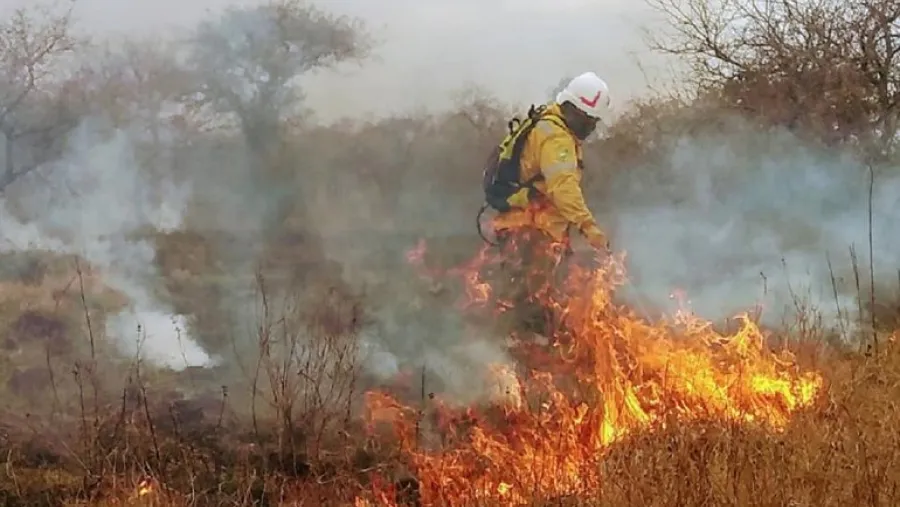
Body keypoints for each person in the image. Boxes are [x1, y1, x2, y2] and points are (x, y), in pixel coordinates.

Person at [484, 71, 612, 340]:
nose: (591, 127)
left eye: (594, 121)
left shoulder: (548, 122)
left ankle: (527, 356)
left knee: (535, 301)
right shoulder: (556, 138)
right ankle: (525, 365)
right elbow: (563, 187)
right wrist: (589, 227)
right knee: (532, 307)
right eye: (589, 120)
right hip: (531, 231)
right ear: (574, 110)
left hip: (529, 228)